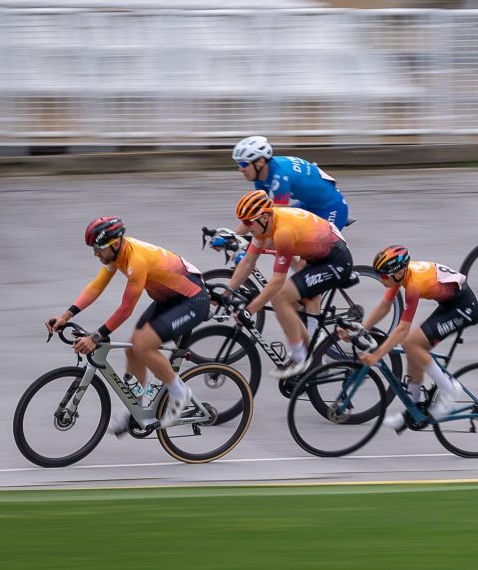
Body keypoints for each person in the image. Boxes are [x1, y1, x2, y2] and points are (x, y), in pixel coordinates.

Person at [45, 217, 209, 430]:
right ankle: (137, 409)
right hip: (169, 299)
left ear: (114, 244)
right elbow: (96, 286)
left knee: (143, 345)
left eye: (97, 248)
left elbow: (126, 309)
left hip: (192, 301)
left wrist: (95, 337)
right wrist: (66, 316)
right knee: (132, 349)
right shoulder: (116, 255)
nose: (95, 253)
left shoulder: (136, 261)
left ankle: (179, 394)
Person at [227, 190, 355, 379]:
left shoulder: (282, 232)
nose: (245, 226)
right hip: (316, 255)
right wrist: (227, 292)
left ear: (263, 217)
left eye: (248, 221)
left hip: (335, 261)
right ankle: (313, 357)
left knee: (281, 298)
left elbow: (277, 282)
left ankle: (300, 359)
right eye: (243, 221)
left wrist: (249, 310)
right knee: (290, 306)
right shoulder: (264, 227)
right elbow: (247, 262)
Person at [352, 246, 478, 430]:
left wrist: (377, 355)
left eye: (384, 276)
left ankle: (449, 389)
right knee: (411, 349)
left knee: (410, 343)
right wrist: (361, 329)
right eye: (380, 275)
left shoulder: (413, 283)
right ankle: (413, 409)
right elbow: (384, 307)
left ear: (398, 272)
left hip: (464, 308)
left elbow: (403, 329)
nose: (382, 279)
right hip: (449, 304)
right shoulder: (400, 274)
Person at [232, 135, 350, 230]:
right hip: (309, 205)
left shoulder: (280, 176)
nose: (240, 169)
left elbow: (268, 214)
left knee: (298, 247)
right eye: (238, 164)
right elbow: (257, 209)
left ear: (260, 162)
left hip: (332, 208)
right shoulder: (261, 175)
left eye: (243, 164)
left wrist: (238, 235)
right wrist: (232, 235)